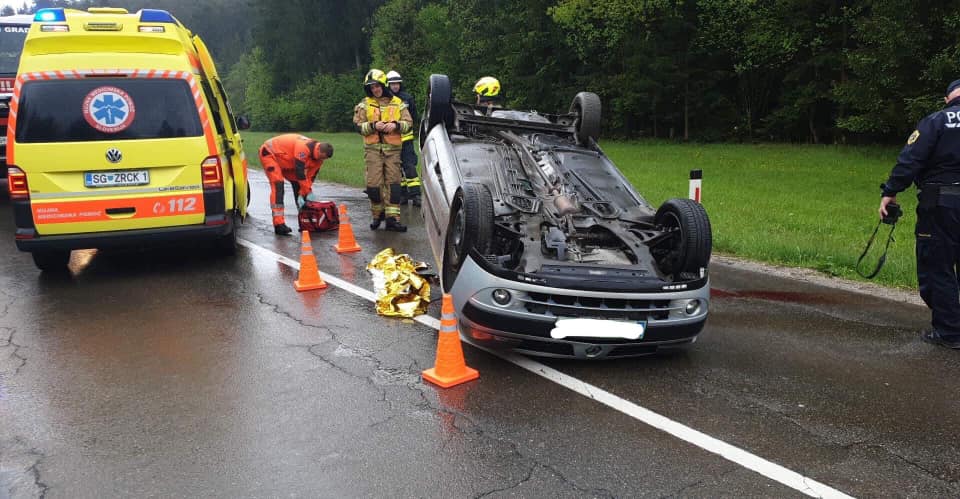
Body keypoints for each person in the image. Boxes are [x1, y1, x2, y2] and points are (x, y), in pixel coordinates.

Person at [880, 78, 960, 349]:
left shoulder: (937, 121)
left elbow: (911, 159)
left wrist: (890, 191)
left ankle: (949, 331)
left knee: (937, 265)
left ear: (949, 98)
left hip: (943, 203)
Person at [353, 69, 413, 232]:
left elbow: (409, 123)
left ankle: (393, 219)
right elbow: (357, 126)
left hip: (393, 151)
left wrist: (396, 125)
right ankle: (377, 215)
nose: (375, 90)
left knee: (394, 186)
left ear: (383, 86)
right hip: (372, 151)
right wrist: (373, 126)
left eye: (377, 86)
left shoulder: (398, 103)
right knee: (373, 186)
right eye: (372, 87)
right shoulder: (364, 104)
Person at [259, 134, 334, 235]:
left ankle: (305, 221)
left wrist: (306, 192)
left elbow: (310, 178)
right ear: (319, 150)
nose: (321, 160)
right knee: (278, 185)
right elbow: (300, 172)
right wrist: (305, 191)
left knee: (299, 186)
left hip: (287, 161)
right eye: (321, 157)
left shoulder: (319, 160)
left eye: (324, 159)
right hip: (269, 154)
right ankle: (278, 224)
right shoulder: (303, 147)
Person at [386, 70, 421, 206]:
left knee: (410, 166)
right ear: (388, 85)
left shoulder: (407, 98)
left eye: (397, 84)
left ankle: (416, 195)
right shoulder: (384, 100)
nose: (395, 86)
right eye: (392, 84)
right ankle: (402, 195)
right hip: (392, 141)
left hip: (406, 140)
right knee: (396, 169)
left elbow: (414, 117)